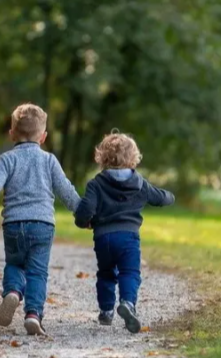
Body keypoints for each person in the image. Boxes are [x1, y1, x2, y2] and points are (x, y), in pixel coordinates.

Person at [0, 103, 80, 335]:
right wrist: (83, 213)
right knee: (37, 272)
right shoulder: (49, 160)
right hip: (42, 225)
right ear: (44, 136)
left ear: (11, 134)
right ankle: (33, 314)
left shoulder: (6, 160)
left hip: (13, 225)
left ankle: (13, 292)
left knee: (15, 264)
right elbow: (65, 190)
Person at [73, 131, 175, 333]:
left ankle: (106, 311)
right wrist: (171, 196)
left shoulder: (96, 184)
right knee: (130, 272)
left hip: (103, 239)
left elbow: (85, 211)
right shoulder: (140, 184)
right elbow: (160, 198)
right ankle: (128, 303)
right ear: (133, 158)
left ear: (102, 158)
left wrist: (83, 222)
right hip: (129, 238)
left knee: (106, 273)